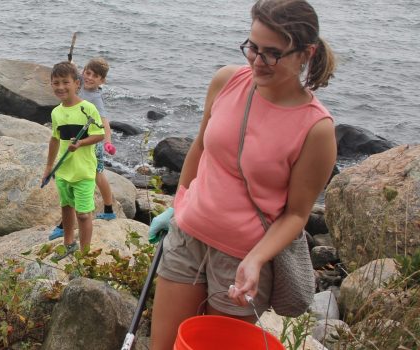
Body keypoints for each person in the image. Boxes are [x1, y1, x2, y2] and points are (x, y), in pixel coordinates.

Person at [148, 0, 337, 348]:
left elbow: (296, 214)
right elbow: (200, 149)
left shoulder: (317, 129)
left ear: (305, 54)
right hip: (187, 238)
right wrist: (179, 205)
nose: (256, 60)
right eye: (253, 47)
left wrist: (256, 259)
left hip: (242, 261)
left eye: (272, 53)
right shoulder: (227, 81)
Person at [43, 62, 106, 261]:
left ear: (77, 83)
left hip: (84, 171)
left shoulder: (88, 108)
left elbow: (99, 134)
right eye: (56, 83)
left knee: (84, 214)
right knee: (66, 206)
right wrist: (48, 167)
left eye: (65, 82)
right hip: (64, 171)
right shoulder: (56, 112)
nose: (60, 87)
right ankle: (68, 243)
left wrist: (81, 143)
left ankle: (84, 253)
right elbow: (55, 139)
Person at [49, 58, 117, 241]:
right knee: (78, 182)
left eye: (95, 76)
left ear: (102, 81)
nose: (90, 78)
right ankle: (68, 225)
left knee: (97, 175)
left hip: (91, 145)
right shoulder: (80, 86)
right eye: (87, 73)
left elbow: (103, 122)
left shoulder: (94, 98)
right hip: (74, 143)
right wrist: (67, 64)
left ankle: (108, 209)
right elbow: (70, 75)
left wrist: (107, 142)